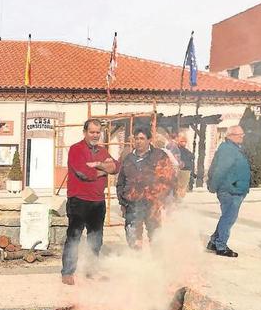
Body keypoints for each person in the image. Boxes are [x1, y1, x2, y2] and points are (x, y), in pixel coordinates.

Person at [60, 119, 119, 285]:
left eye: (97, 132)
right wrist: (103, 170)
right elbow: (83, 173)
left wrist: (98, 164)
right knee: (74, 237)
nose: (95, 135)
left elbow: (116, 166)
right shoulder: (75, 149)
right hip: (78, 201)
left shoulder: (102, 150)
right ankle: (68, 272)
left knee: (96, 239)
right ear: (85, 132)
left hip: (98, 202)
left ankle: (91, 270)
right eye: (92, 132)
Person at [116, 127, 177, 249]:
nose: (138, 141)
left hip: (152, 204)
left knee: (155, 237)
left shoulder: (159, 155)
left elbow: (170, 179)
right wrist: (122, 200)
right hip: (133, 204)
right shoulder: (128, 158)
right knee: (133, 237)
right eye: (136, 139)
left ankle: (157, 263)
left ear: (149, 140)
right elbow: (121, 181)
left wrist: (164, 199)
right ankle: (137, 262)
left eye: (142, 138)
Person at [206, 125, 250, 258]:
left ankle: (214, 241)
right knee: (229, 218)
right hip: (230, 190)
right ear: (230, 136)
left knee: (226, 216)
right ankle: (221, 246)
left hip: (235, 188)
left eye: (242, 134)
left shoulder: (232, 148)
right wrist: (213, 186)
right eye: (239, 135)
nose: (242, 137)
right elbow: (220, 170)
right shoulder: (228, 150)